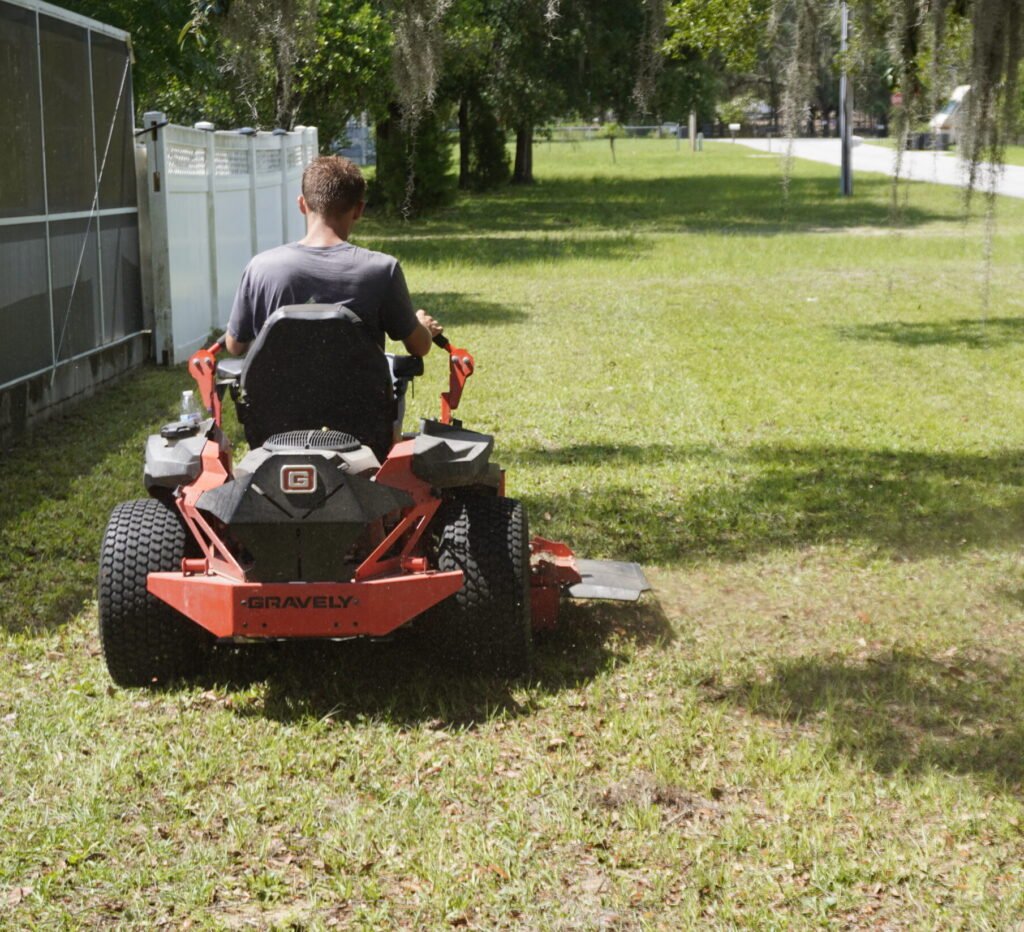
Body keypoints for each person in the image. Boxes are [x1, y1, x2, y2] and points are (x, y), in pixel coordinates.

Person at [224, 155, 441, 357]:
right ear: (359, 210)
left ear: (302, 204)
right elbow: (419, 346)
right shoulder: (382, 270)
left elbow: (235, 345)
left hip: (276, 398)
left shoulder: (261, 267)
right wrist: (421, 325)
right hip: (360, 398)